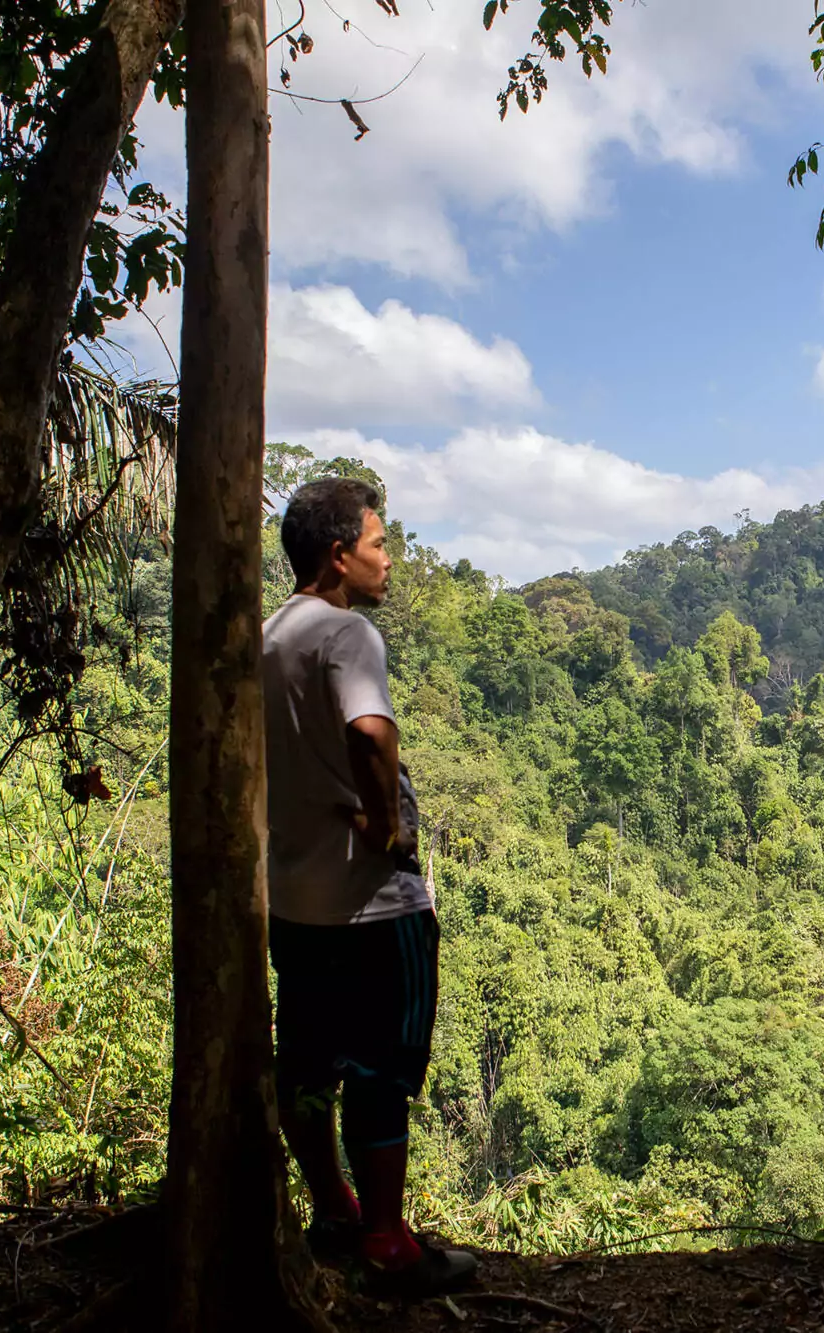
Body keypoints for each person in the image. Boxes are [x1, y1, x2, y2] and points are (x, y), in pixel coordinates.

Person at [262, 477, 474, 1291]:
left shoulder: (271, 634)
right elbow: (371, 729)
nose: (390, 559)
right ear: (338, 554)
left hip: (296, 900)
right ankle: (388, 1243)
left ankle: (333, 1209)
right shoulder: (346, 633)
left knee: (309, 1064)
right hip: (373, 907)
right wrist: (388, 824)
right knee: (383, 1071)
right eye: (380, 544)